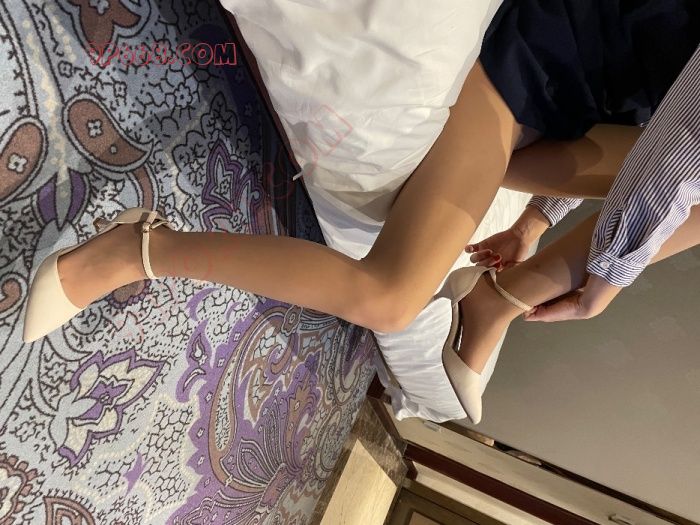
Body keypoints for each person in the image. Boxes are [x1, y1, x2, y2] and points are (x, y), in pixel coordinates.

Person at [22, 2, 699, 424]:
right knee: (390, 297)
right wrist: (609, 277)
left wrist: (536, 220)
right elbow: (676, 151)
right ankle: (135, 249)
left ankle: (496, 297)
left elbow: (658, 148)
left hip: (571, 102)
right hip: (537, 54)